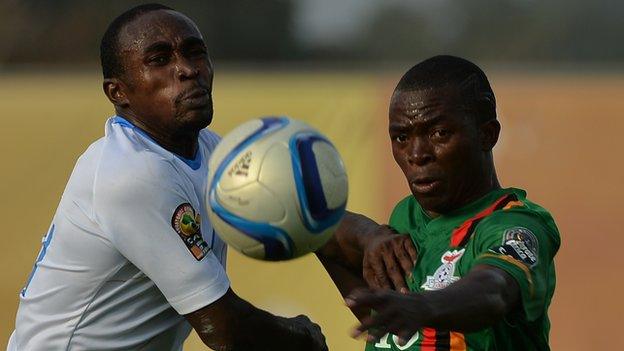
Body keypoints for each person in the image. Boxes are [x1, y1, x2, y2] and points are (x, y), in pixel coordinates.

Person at [8, 4, 327, 351]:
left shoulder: (208, 148)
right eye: (159, 60)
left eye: (195, 52)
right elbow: (224, 329)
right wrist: (301, 337)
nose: (188, 69)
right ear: (118, 92)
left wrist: (369, 237)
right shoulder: (130, 173)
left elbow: (299, 206)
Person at [318, 55, 560, 350]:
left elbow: (493, 291)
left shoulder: (514, 224)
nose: (417, 154)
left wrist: (422, 308)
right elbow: (322, 229)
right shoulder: (405, 218)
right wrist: (369, 235)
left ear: (487, 135)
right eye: (401, 137)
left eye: (439, 133)